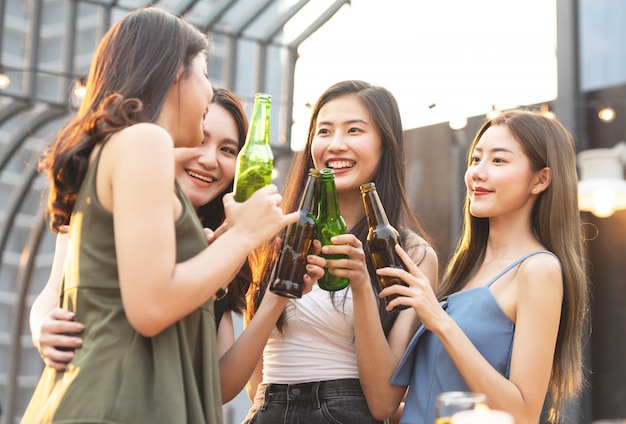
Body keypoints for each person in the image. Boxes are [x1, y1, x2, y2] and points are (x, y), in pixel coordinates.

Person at [22, 8, 297, 423]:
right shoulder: (145, 140)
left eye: (227, 148)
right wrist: (243, 235)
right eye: (204, 73)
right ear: (175, 75)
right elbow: (150, 308)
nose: (209, 93)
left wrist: (223, 249)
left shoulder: (122, 150)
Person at [371, 110, 588, 424]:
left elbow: (523, 413)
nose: (477, 173)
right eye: (475, 160)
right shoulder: (465, 271)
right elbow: (428, 399)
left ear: (540, 180)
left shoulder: (538, 270)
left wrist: (439, 321)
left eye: (498, 161)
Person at [243, 80, 439, 423]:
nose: (336, 145)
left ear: (384, 145)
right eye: (324, 131)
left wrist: (362, 284)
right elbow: (254, 381)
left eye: (354, 131)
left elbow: (383, 404)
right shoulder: (274, 235)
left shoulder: (411, 253)